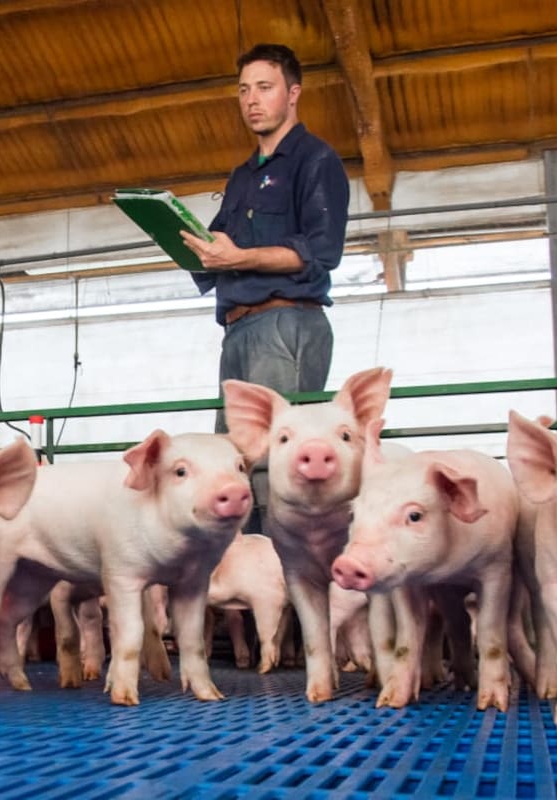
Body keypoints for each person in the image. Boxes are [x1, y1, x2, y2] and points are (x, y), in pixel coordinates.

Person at [181, 42, 350, 532]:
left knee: (271, 462)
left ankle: (282, 585)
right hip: (237, 329)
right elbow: (216, 249)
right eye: (243, 90)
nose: (251, 100)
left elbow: (321, 251)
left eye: (264, 87)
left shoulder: (316, 160)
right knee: (232, 459)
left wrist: (239, 257)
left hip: (286, 319)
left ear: (292, 93)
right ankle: (241, 583)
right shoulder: (241, 178)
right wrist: (178, 235)